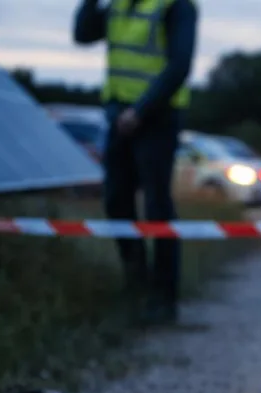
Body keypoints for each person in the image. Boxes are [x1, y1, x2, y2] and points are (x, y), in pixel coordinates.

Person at [73, 0, 198, 323]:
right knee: (116, 201)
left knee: (157, 207)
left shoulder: (177, 6)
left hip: (156, 118)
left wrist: (141, 110)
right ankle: (136, 280)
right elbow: (83, 34)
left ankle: (163, 298)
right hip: (118, 116)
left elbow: (179, 66)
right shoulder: (118, 5)